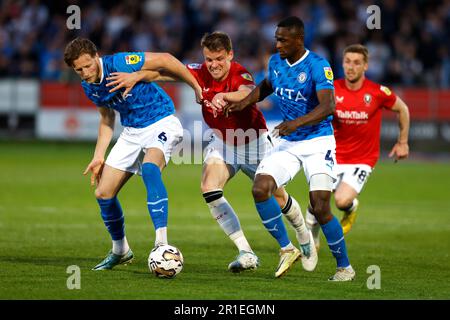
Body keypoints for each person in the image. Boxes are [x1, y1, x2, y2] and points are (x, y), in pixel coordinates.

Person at [106, 31, 317, 277]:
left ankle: (303, 233)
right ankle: (248, 251)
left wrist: (223, 95)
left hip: (254, 143)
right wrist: (138, 75)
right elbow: (165, 73)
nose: (214, 65)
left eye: (219, 59)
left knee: (277, 197)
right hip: (223, 143)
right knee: (209, 187)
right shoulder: (199, 72)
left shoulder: (239, 73)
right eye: (209, 60)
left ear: (230, 55)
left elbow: (247, 93)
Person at [224, 16, 355, 281]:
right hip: (289, 143)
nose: (278, 44)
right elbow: (265, 86)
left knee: (320, 206)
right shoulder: (275, 63)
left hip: (318, 143)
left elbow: (328, 106)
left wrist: (295, 123)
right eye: (276, 39)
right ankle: (288, 248)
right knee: (260, 188)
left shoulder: (318, 66)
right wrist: (244, 103)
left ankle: (345, 267)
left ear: (298, 40)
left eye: (283, 40)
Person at [63, 37, 202, 270]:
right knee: (103, 193)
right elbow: (107, 118)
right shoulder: (88, 86)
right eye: (79, 70)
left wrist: (195, 85)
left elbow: (165, 59)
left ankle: (161, 245)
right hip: (131, 132)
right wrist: (99, 155)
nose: (85, 72)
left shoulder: (120, 63)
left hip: (161, 121)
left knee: (150, 169)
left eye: (88, 65)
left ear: (96, 57)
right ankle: (121, 250)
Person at [306, 44, 410, 246]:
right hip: (333, 156)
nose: (351, 67)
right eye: (347, 62)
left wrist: (402, 142)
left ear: (366, 66)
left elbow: (403, 109)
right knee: (317, 201)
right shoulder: (332, 89)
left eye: (356, 63)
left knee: (341, 201)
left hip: (362, 159)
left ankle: (350, 207)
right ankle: (313, 239)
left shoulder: (377, 92)